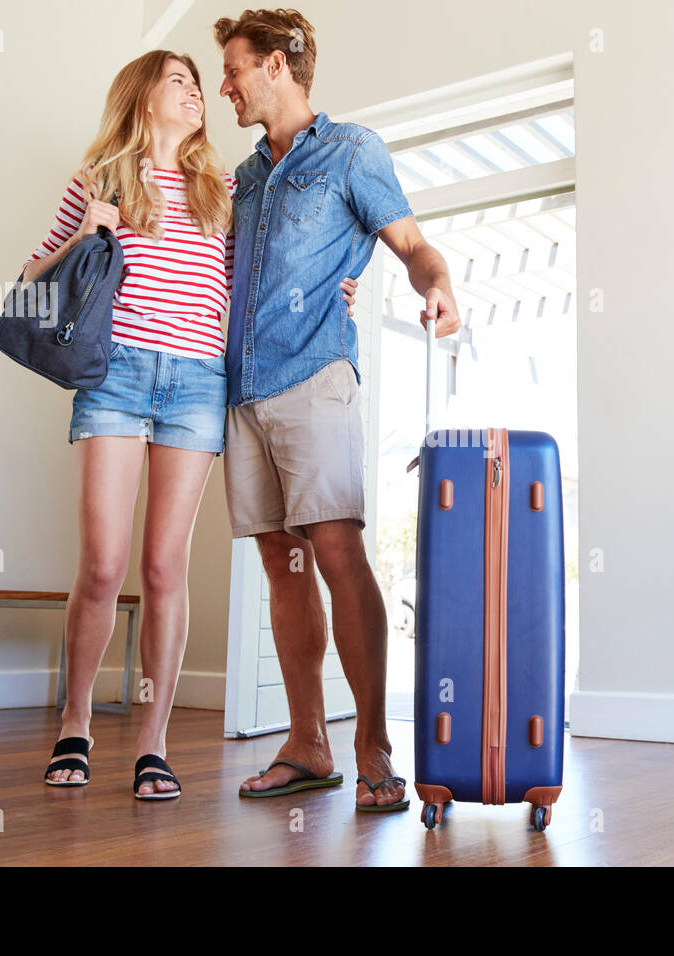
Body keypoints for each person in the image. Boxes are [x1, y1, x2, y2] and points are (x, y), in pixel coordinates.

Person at [26, 48, 358, 800]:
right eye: (179, 81)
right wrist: (86, 232)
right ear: (144, 99)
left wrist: (330, 287)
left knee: (162, 568)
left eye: (198, 85)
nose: (197, 94)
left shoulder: (226, 187)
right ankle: (75, 722)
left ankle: (153, 743)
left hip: (197, 382)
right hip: (116, 375)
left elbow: (261, 280)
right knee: (104, 565)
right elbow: (30, 284)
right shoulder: (100, 179)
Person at [214, 9, 462, 812]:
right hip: (242, 389)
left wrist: (438, 289)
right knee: (281, 567)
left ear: (279, 65)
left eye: (236, 69)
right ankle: (308, 743)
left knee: (335, 551)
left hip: (315, 376)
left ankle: (373, 747)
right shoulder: (244, 178)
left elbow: (413, 244)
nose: (226, 86)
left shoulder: (353, 152)